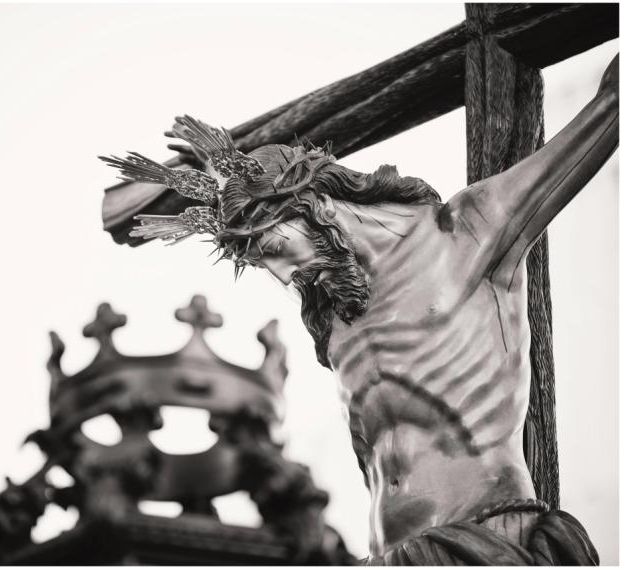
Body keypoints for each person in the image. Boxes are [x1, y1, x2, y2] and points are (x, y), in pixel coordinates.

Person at [100, 55, 618, 565]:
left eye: (276, 249)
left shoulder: (464, 235)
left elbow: (601, 121)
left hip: (485, 532)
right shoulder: (337, 320)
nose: (286, 277)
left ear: (313, 206)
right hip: (385, 555)